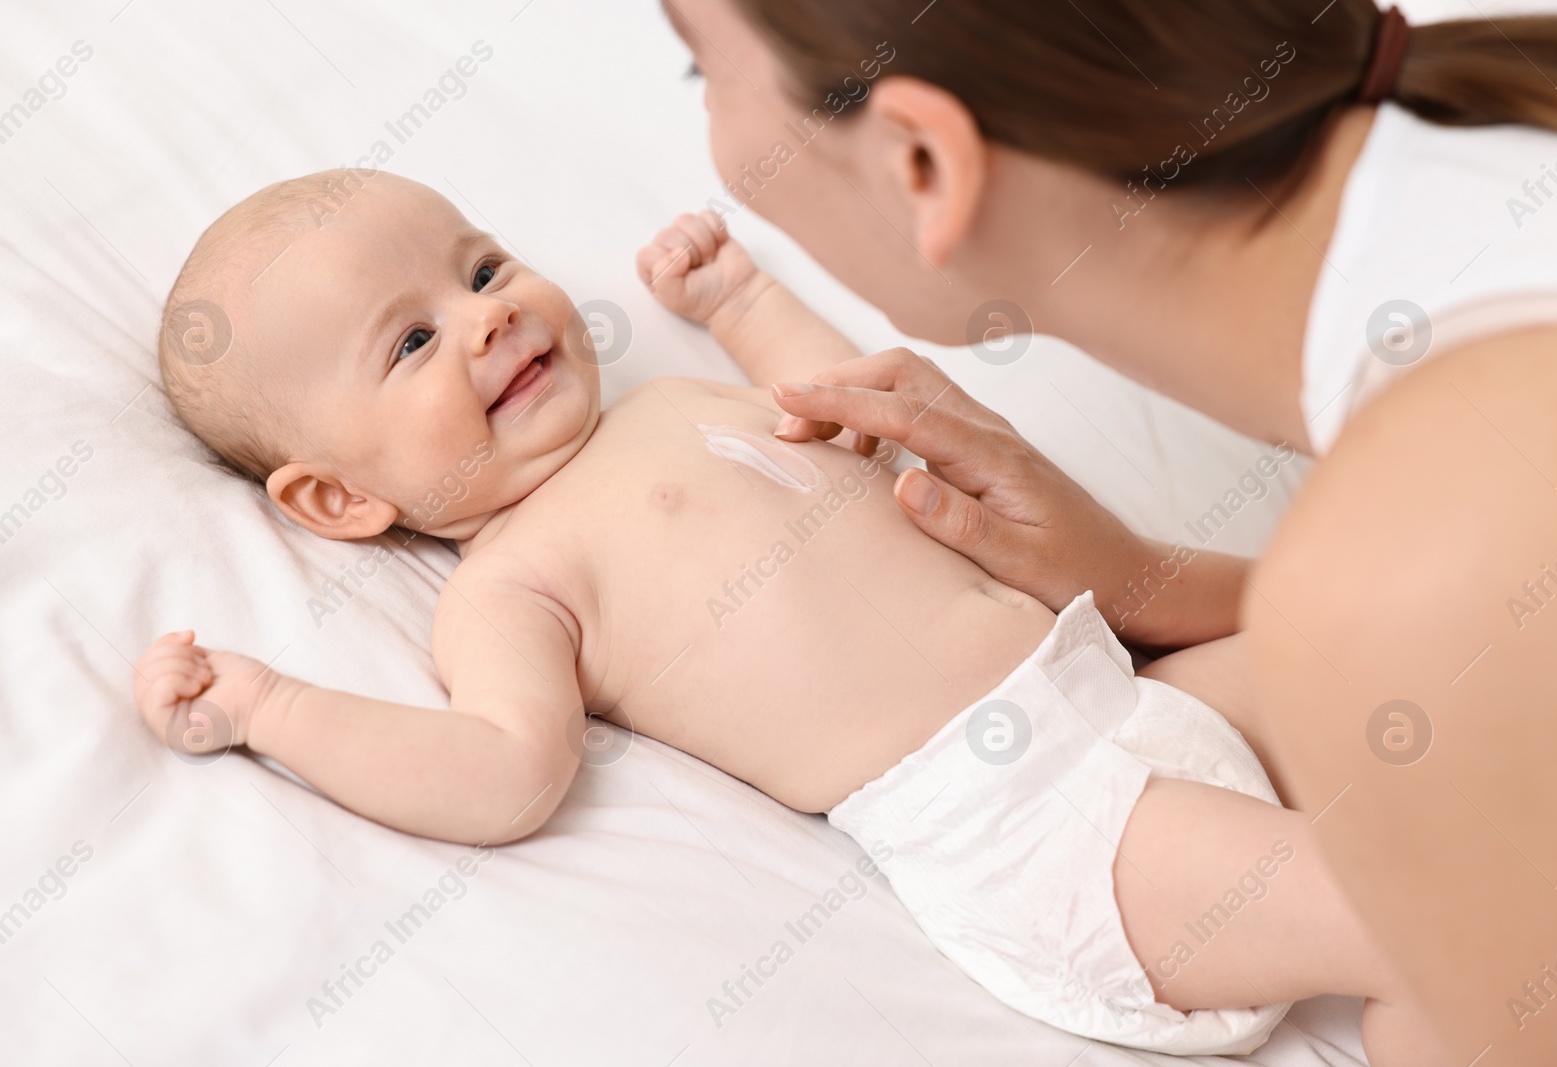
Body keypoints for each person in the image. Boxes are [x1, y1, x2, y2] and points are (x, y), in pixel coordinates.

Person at [137, 171, 1443, 1060]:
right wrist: (273, 705)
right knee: (1429, 913)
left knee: (1394, 652)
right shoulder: (509, 586)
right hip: (1041, 832)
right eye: (412, 343)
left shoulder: (668, 406)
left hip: (1120, 692)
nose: (486, 317)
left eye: (482, 266)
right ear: (338, 498)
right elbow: (501, 770)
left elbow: (844, 402)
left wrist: (739, 303)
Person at [661, 0, 1557, 1061]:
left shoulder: (1414, 559)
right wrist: (1144, 580)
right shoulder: (1532, 132)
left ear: (919, 161)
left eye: (698, 72)